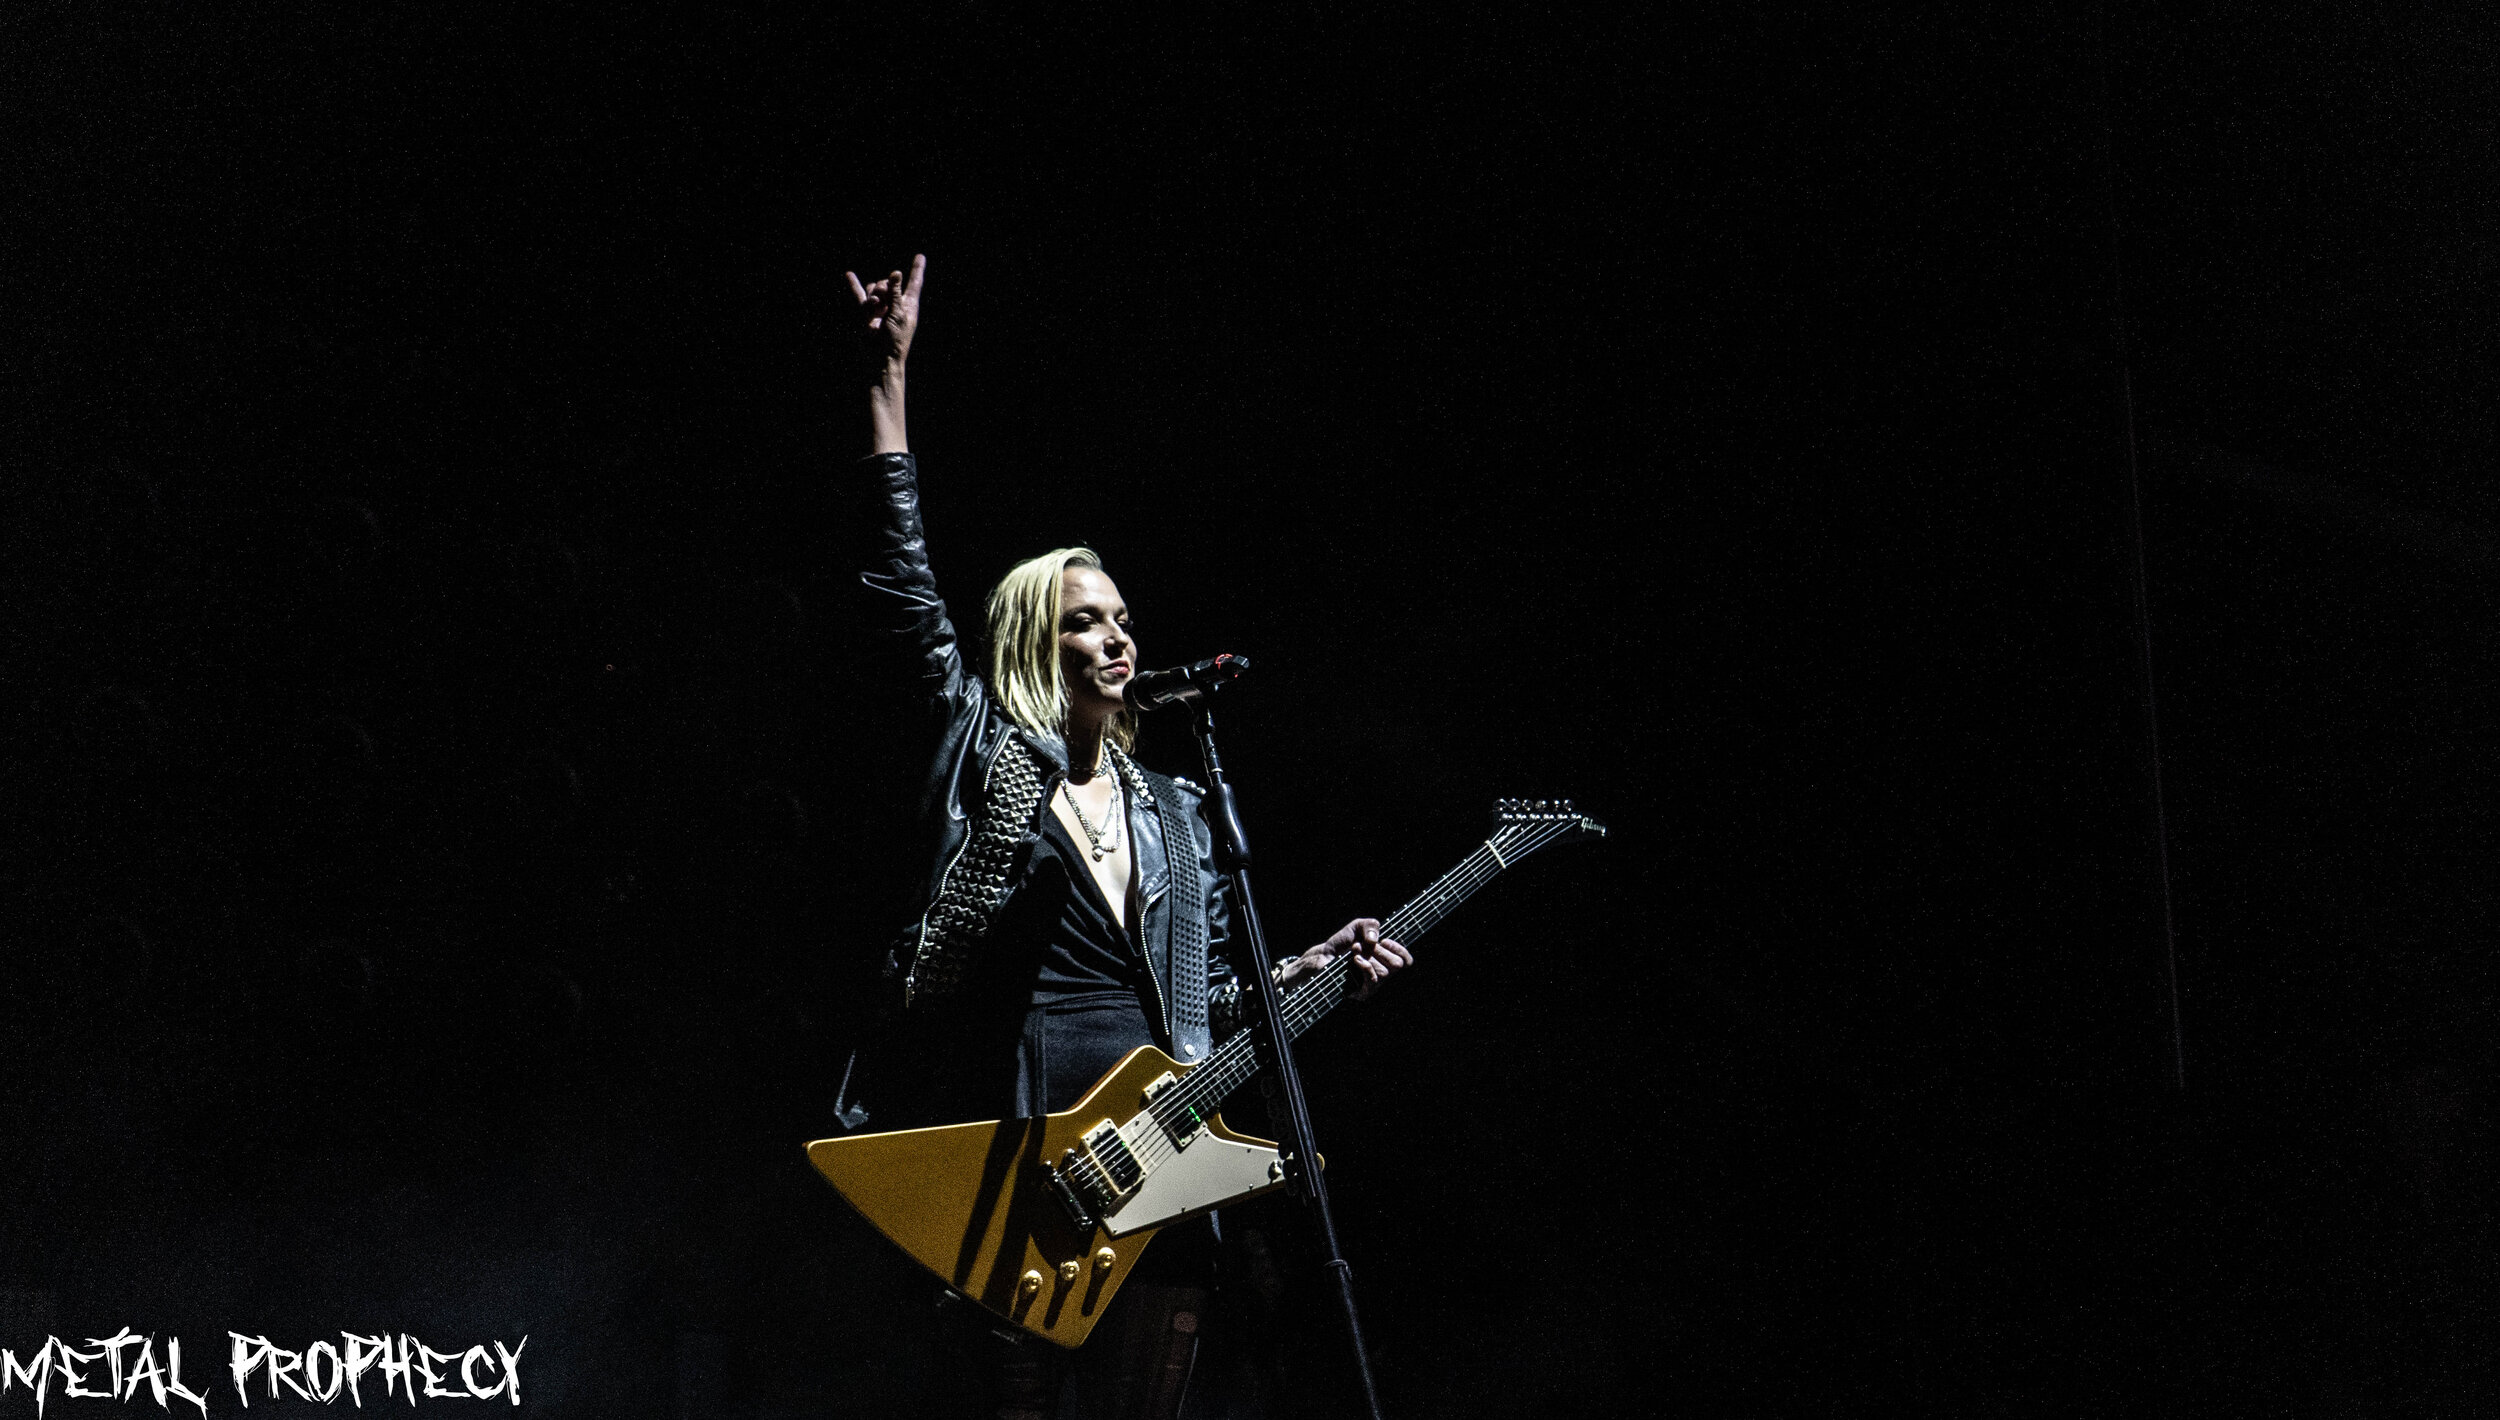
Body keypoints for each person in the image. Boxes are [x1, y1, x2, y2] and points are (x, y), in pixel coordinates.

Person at [831, 253, 1412, 1419]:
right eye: (1083, 618)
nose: (1115, 636)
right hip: (1017, 1171)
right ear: (1034, 643)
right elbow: (900, 583)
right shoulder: (988, 749)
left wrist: (1307, 974)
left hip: (1159, 1182)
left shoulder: (1179, 808)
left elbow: (1198, 1012)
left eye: (1123, 617)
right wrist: (886, 381)